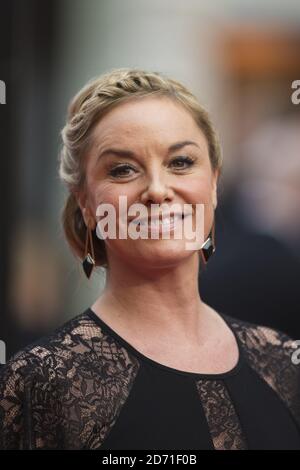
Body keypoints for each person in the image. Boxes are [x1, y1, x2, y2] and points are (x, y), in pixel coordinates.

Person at [0, 68, 299, 450]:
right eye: (123, 169)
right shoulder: (41, 382)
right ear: (86, 204)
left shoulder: (282, 360)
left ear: (213, 184)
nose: (158, 190)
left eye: (180, 162)